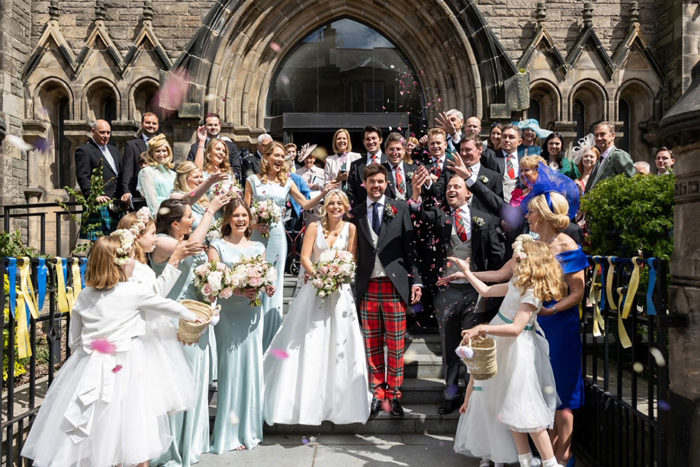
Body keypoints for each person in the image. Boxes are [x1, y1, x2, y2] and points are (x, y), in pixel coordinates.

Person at [21, 234, 200, 467]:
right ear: (120, 263)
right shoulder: (133, 291)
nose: (132, 263)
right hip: (128, 364)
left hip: (90, 365)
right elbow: (172, 307)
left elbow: (74, 341)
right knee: (134, 429)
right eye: (128, 259)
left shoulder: (84, 296)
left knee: (95, 429)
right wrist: (198, 317)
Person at [467, 188, 586, 467]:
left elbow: (577, 293)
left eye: (531, 211)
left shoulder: (568, 245)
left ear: (544, 215)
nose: (526, 215)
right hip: (528, 321)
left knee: (561, 390)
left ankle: (560, 456)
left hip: (556, 322)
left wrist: (549, 309)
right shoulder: (528, 242)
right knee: (532, 389)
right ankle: (539, 455)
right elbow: (502, 278)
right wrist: (465, 274)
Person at [452, 238, 566, 467]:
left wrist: (482, 328)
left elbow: (516, 329)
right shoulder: (519, 282)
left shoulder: (532, 291)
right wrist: (466, 272)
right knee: (509, 406)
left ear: (528, 259)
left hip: (518, 350)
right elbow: (485, 290)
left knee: (526, 408)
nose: (513, 261)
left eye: (516, 256)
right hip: (502, 344)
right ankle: (525, 461)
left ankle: (550, 463)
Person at [264, 190, 371, 425]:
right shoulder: (314, 227)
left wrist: (338, 277)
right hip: (315, 289)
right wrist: (320, 278)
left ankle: (341, 404)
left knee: (341, 341)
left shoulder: (351, 229)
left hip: (340, 293)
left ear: (345, 206)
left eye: (339, 203)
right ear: (325, 206)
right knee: (310, 340)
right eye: (331, 203)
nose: (335, 207)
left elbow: (351, 259)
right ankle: (306, 403)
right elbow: (305, 257)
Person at [409, 172, 503, 415]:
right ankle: (451, 396)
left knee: (472, 345)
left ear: (468, 192)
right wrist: (417, 195)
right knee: (450, 345)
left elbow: (495, 256)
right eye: (448, 186)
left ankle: (475, 397)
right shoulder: (439, 217)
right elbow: (419, 213)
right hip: (447, 292)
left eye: (456, 186)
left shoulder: (485, 219)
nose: (451, 190)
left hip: (476, 292)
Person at [150, 195, 230, 467]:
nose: (193, 218)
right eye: (188, 217)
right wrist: (210, 211)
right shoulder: (162, 241)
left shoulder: (182, 241)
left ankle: (191, 443)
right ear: (175, 224)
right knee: (177, 385)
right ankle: (171, 447)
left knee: (195, 382)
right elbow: (194, 246)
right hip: (174, 321)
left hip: (197, 316)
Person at [244, 141, 337, 351]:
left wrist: (324, 193)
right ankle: (252, 335)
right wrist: (253, 223)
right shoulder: (252, 181)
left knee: (273, 286)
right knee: (254, 280)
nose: (279, 159)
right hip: (255, 237)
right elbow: (244, 211)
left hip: (277, 237)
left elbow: (305, 204)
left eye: (282, 156)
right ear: (266, 157)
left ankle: (270, 341)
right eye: (275, 155)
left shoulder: (286, 181)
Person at [349, 163, 422, 417]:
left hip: (394, 286)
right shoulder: (356, 213)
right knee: (372, 344)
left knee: (395, 344)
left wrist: (417, 281)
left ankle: (394, 395)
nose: (377, 186)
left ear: (386, 183)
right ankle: (377, 394)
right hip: (367, 286)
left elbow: (411, 248)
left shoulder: (400, 208)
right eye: (372, 182)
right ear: (365, 184)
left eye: (381, 181)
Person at [207, 199, 273, 452]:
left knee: (251, 367)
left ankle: (248, 430)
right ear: (227, 219)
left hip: (252, 314)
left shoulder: (258, 246)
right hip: (229, 315)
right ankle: (229, 433)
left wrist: (267, 286)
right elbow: (214, 284)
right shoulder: (217, 246)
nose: (241, 219)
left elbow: (264, 274)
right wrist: (238, 289)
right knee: (231, 369)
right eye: (235, 215)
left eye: (244, 215)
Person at [75, 119, 125, 239]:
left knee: (117, 241)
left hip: (116, 204)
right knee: (99, 242)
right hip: (99, 203)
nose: (106, 136)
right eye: (102, 132)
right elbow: (83, 176)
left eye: (108, 133)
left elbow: (119, 174)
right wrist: (93, 195)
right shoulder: (84, 150)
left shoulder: (114, 150)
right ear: (93, 131)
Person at [438, 133, 504, 218]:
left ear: (480, 149)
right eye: (462, 150)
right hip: (453, 225)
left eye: (468, 149)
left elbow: (497, 207)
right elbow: (437, 193)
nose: (464, 153)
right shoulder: (449, 172)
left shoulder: (494, 177)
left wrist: (489, 227)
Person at [169, 162, 227, 230]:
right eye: (196, 177)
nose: (200, 180)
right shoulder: (175, 196)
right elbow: (186, 200)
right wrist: (209, 182)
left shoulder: (207, 197)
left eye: (201, 177)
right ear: (184, 179)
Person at [187, 112, 242, 184]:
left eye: (216, 125)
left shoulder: (231, 146)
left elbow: (236, 168)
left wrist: (227, 181)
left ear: (220, 126)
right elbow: (189, 168)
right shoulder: (195, 147)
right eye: (210, 125)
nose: (213, 127)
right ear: (205, 127)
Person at [122, 112, 160, 209]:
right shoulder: (132, 145)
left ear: (158, 126)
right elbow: (128, 170)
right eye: (148, 123)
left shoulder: (162, 145)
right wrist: (126, 191)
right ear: (141, 124)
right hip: (140, 194)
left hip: (159, 193)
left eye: (154, 123)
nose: (151, 125)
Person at [584, 121, 636, 192]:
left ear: (612, 136)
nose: (599, 138)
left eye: (602, 134)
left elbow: (632, 182)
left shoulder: (618, 155)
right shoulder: (600, 160)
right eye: (596, 135)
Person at [346, 124, 387, 206]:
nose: (371, 142)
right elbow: (351, 191)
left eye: (373, 138)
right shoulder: (356, 165)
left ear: (381, 140)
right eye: (367, 139)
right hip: (363, 213)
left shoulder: (389, 161)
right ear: (363, 141)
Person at [138, 134, 177, 217]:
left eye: (164, 150)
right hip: (160, 213)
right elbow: (151, 199)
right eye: (157, 151)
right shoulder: (146, 172)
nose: (161, 154)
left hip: (175, 213)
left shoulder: (173, 174)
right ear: (152, 153)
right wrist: (158, 217)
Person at [382, 132, 419, 201]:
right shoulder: (380, 171)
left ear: (404, 151)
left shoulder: (414, 169)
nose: (395, 152)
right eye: (391, 149)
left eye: (398, 149)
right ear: (386, 151)